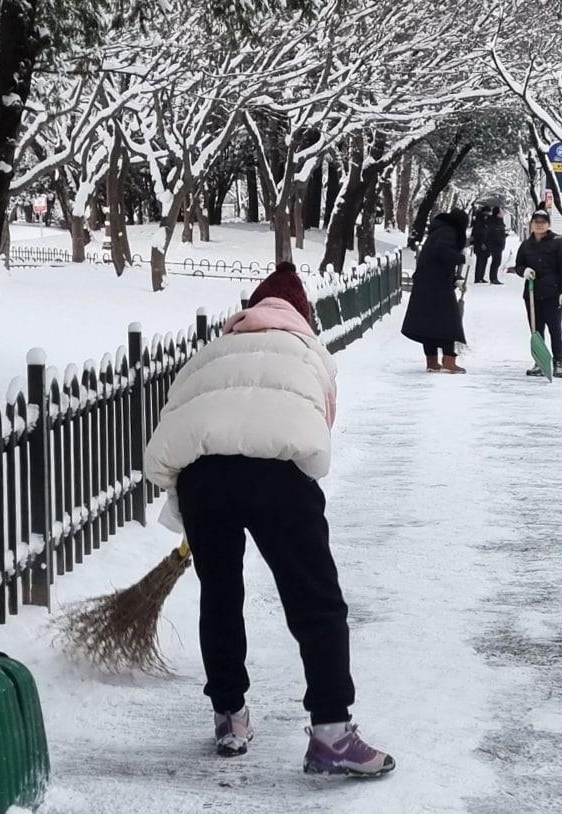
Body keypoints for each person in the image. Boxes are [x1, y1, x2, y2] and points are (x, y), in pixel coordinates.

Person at [143, 262, 395, 777]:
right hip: (276, 476)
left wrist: (190, 500)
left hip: (201, 478)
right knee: (316, 600)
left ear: (249, 313)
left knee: (220, 594)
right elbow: (316, 425)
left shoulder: (211, 352)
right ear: (302, 315)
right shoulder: (310, 353)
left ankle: (229, 717)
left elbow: (179, 416)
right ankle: (331, 734)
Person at [402, 209, 470, 373]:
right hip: (436, 285)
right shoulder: (448, 232)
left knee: (429, 323)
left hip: (428, 283)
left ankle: (432, 361)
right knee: (448, 322)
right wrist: (461, 258)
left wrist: (455, 279)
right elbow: (443, 252)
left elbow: (437, 260)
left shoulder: (440, 231)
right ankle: (448, 360)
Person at [513, 208, 562, 378]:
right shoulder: (526, 245)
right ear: (531, 224)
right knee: (536, 330)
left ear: (548, 225)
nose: (539, 226)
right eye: (536, 223)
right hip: (532, 294)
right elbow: (518, 265)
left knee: (555, 329)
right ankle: (539, 361)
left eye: (543, 223)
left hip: (553, 294)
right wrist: (524, 271)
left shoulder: (557, 243)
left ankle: (558, 362)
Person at [485, 206, 508, 285]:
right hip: (495, 245)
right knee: (496, 262)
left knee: (497, 262)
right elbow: (494, 233)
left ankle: (494, 278)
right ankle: (493, 278)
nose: (503, 213)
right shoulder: (494, 221)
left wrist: (504, 235)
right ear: (498, 214)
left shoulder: (499, 221)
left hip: (499, 244)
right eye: (501, 211)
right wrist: (500, 238)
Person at [470, 207, 489, 284]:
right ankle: (478, 278)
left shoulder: (485, 221)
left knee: (484, 261)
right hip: (480, 244)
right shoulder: (479, 222)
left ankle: (481, 277)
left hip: (485, 243)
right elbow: (477, 233)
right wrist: (481, 243)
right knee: (480, 261)